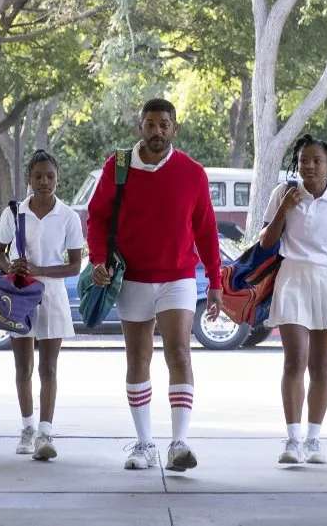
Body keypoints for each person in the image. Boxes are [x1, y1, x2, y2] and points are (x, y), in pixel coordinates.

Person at [87, 98, 223, 472]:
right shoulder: (118, 167)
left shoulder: (192, 172)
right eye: (150, 124)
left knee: (179, 353)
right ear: (140, 127)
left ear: (174, 128)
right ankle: (144, 444)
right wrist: (98, 259)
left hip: (178, 276)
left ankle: (179, 443)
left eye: (164, 124)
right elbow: (96, 218)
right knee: (138, 358)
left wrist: (215, 278)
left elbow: (206, 228)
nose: (157, 131)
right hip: (130, 277)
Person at [258, 134, 327, 465]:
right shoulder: (283, 194)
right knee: (295, 360)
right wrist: (285, 208)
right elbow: (265, 242)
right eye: (304, 160)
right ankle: (292, 440)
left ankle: (314, 439)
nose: (309, 166)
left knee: (321, 364)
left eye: (316, 161)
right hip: (292, 278)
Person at [0, 149, 84, 461]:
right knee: (23, 366)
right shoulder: (14, 213)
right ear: (28, 178)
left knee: (49, 367)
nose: (44, 181)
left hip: (53, 297)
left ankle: (46, 432)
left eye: (50, 176)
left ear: (58, 178)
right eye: (38, 176)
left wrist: (39, 271)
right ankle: (27, 429)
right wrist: (9, 268)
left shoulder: (69, 217)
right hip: (20, 297)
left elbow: (74, 266)